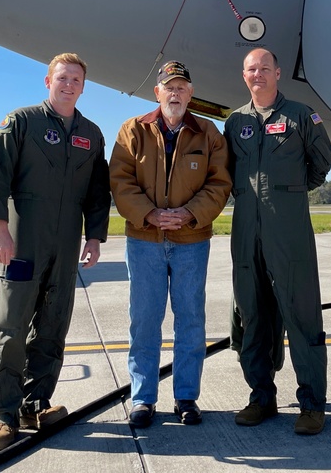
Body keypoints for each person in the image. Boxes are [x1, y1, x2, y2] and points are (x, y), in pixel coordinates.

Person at [0, 53, 111, 452]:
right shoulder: (20, 123)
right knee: (12, 326)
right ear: (47, 81)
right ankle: (5, 414)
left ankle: (36, 404)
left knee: (54, 326)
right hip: (22, 242)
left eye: (76, 79)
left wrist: (94, 237)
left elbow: (97, 192)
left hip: (67, 242)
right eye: (62, 77)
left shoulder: (91, 133)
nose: (69, 84)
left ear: (83, 86)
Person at [109, 61, 231, 428]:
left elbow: (220, 183)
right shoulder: (133, 130)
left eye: (182, 87)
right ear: (157, 92)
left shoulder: (208, 133)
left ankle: (186, 398)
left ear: (191, 93)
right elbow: (120, 179)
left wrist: (189, 214)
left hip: (191, 240)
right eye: (169, 87)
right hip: (144, 240)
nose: (175, 93)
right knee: (144, 321)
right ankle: (143, 399)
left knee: (191, 321)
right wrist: (149, 214)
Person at [224, 48, 331, 436]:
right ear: (244, 76)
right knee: (252, 315)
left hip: (288, 230)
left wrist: (287, 195)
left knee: (300, 315)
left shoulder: (301, 116)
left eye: (264, 68)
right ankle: (261, 397)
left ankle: (312, 405)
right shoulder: (235, 122)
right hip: (245, 230)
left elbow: (320, 165)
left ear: (277, 73)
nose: (258, 75)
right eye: (251, 70)